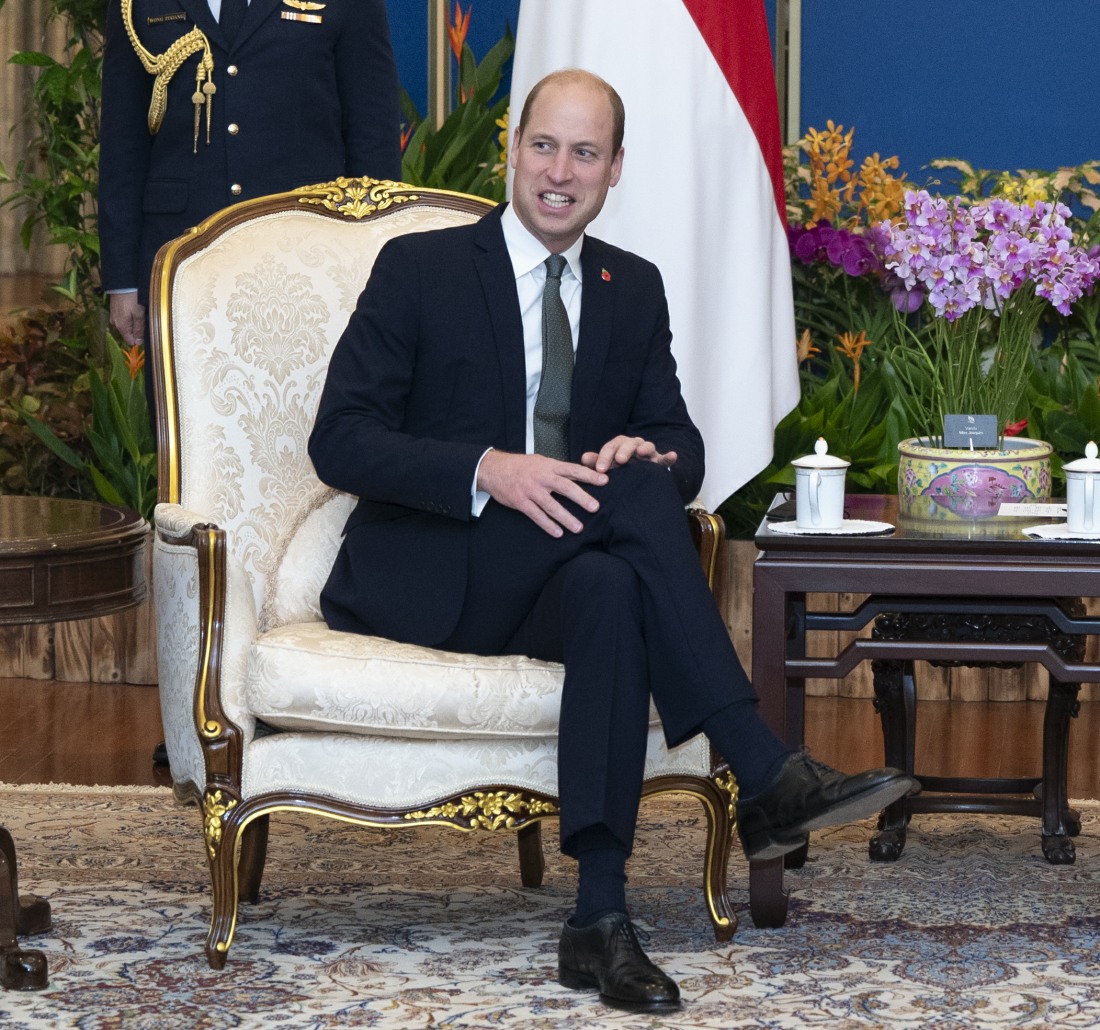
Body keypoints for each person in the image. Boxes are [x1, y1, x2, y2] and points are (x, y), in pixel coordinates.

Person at [309, 69, 911, 1014]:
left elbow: (682, 447)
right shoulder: (419, 268)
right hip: (433, 569)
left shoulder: (631, 287)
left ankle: (598, 916)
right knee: (624, 513)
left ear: (615, 168)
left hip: (556, 579)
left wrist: (652, 457)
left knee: (612, 585)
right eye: (545, 146)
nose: (561, 172)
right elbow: (339, 439)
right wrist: (489, 469)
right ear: (513, 149)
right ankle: (761, 767)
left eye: (584, 153)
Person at [99, 0, 402, 352]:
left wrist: (374, 261)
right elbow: (123, 141)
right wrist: (123, 281)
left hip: (309, 250)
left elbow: (372, 133)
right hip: (180, 257)